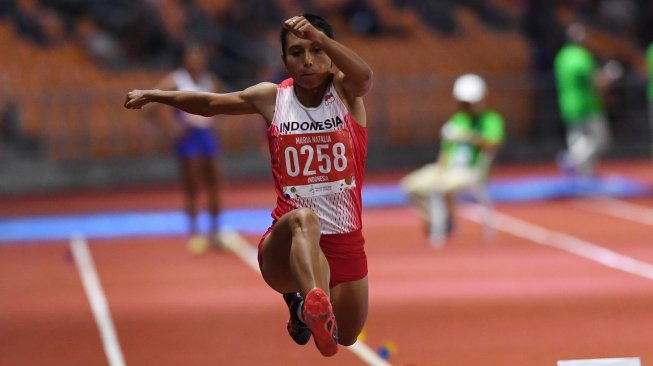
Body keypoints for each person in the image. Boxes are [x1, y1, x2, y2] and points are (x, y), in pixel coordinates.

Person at [124, 14, 373, 357]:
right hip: (286, 248)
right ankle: (312, 300)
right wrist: (157, 94)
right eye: (297, 53)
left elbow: (365, 75)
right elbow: (211, 104)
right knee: (305, 219)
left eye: (317, 50)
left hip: (346, 241)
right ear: (284, 61)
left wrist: (322, 36)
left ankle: (302, 311)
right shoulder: (272, 98)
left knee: (344, 339)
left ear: (331, 55)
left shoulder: (346, 93)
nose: (308, 60)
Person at [399, 73, 505, 243]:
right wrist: (440, 168)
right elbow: (445, 152)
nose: (465, 107)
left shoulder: (491, 120)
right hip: (448, 170)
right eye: (463, 103)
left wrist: (467, 136)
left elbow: (493, 145)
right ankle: (439, 219)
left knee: (437, 188)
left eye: (469, 103)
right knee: (410, 185)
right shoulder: (457, 120)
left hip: (471, 172)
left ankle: (439, 230)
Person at [147, 44, 225, 255]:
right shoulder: (177, 80)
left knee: (215, 183)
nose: (196, 63)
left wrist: (215, 121)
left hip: (207, 135)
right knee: (192, 185)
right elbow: (151, 104)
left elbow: (225, 103)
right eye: (192, 58)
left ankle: (216, 232)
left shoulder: (211, 80)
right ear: (185, 61)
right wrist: (170, 129)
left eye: (199, 59)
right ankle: (195, 232)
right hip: (188, 137)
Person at [553, 23, 615, 179]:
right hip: (587, 105)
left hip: (567, 105)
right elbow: (596, 82)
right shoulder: (581, 56)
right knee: (600, 140)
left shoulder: (561, 57)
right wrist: (610, 76)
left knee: (578, 142)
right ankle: (572, 160)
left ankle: (586, 174)